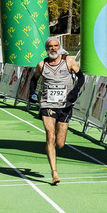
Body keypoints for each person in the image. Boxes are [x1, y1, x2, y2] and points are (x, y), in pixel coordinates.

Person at [33, 36, 84, 185]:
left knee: (60, 143)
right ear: (46, 48)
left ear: (59, 47)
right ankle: (54, 172)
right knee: (50, 135)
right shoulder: (41, 65)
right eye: (50, 46)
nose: (53, 48)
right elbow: (33, 79)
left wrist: (75, 91)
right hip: (47, 104)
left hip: (65, 104)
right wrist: (31, 93)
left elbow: (81, 77)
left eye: (55, 46)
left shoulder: (69, 61)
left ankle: (55, 147)